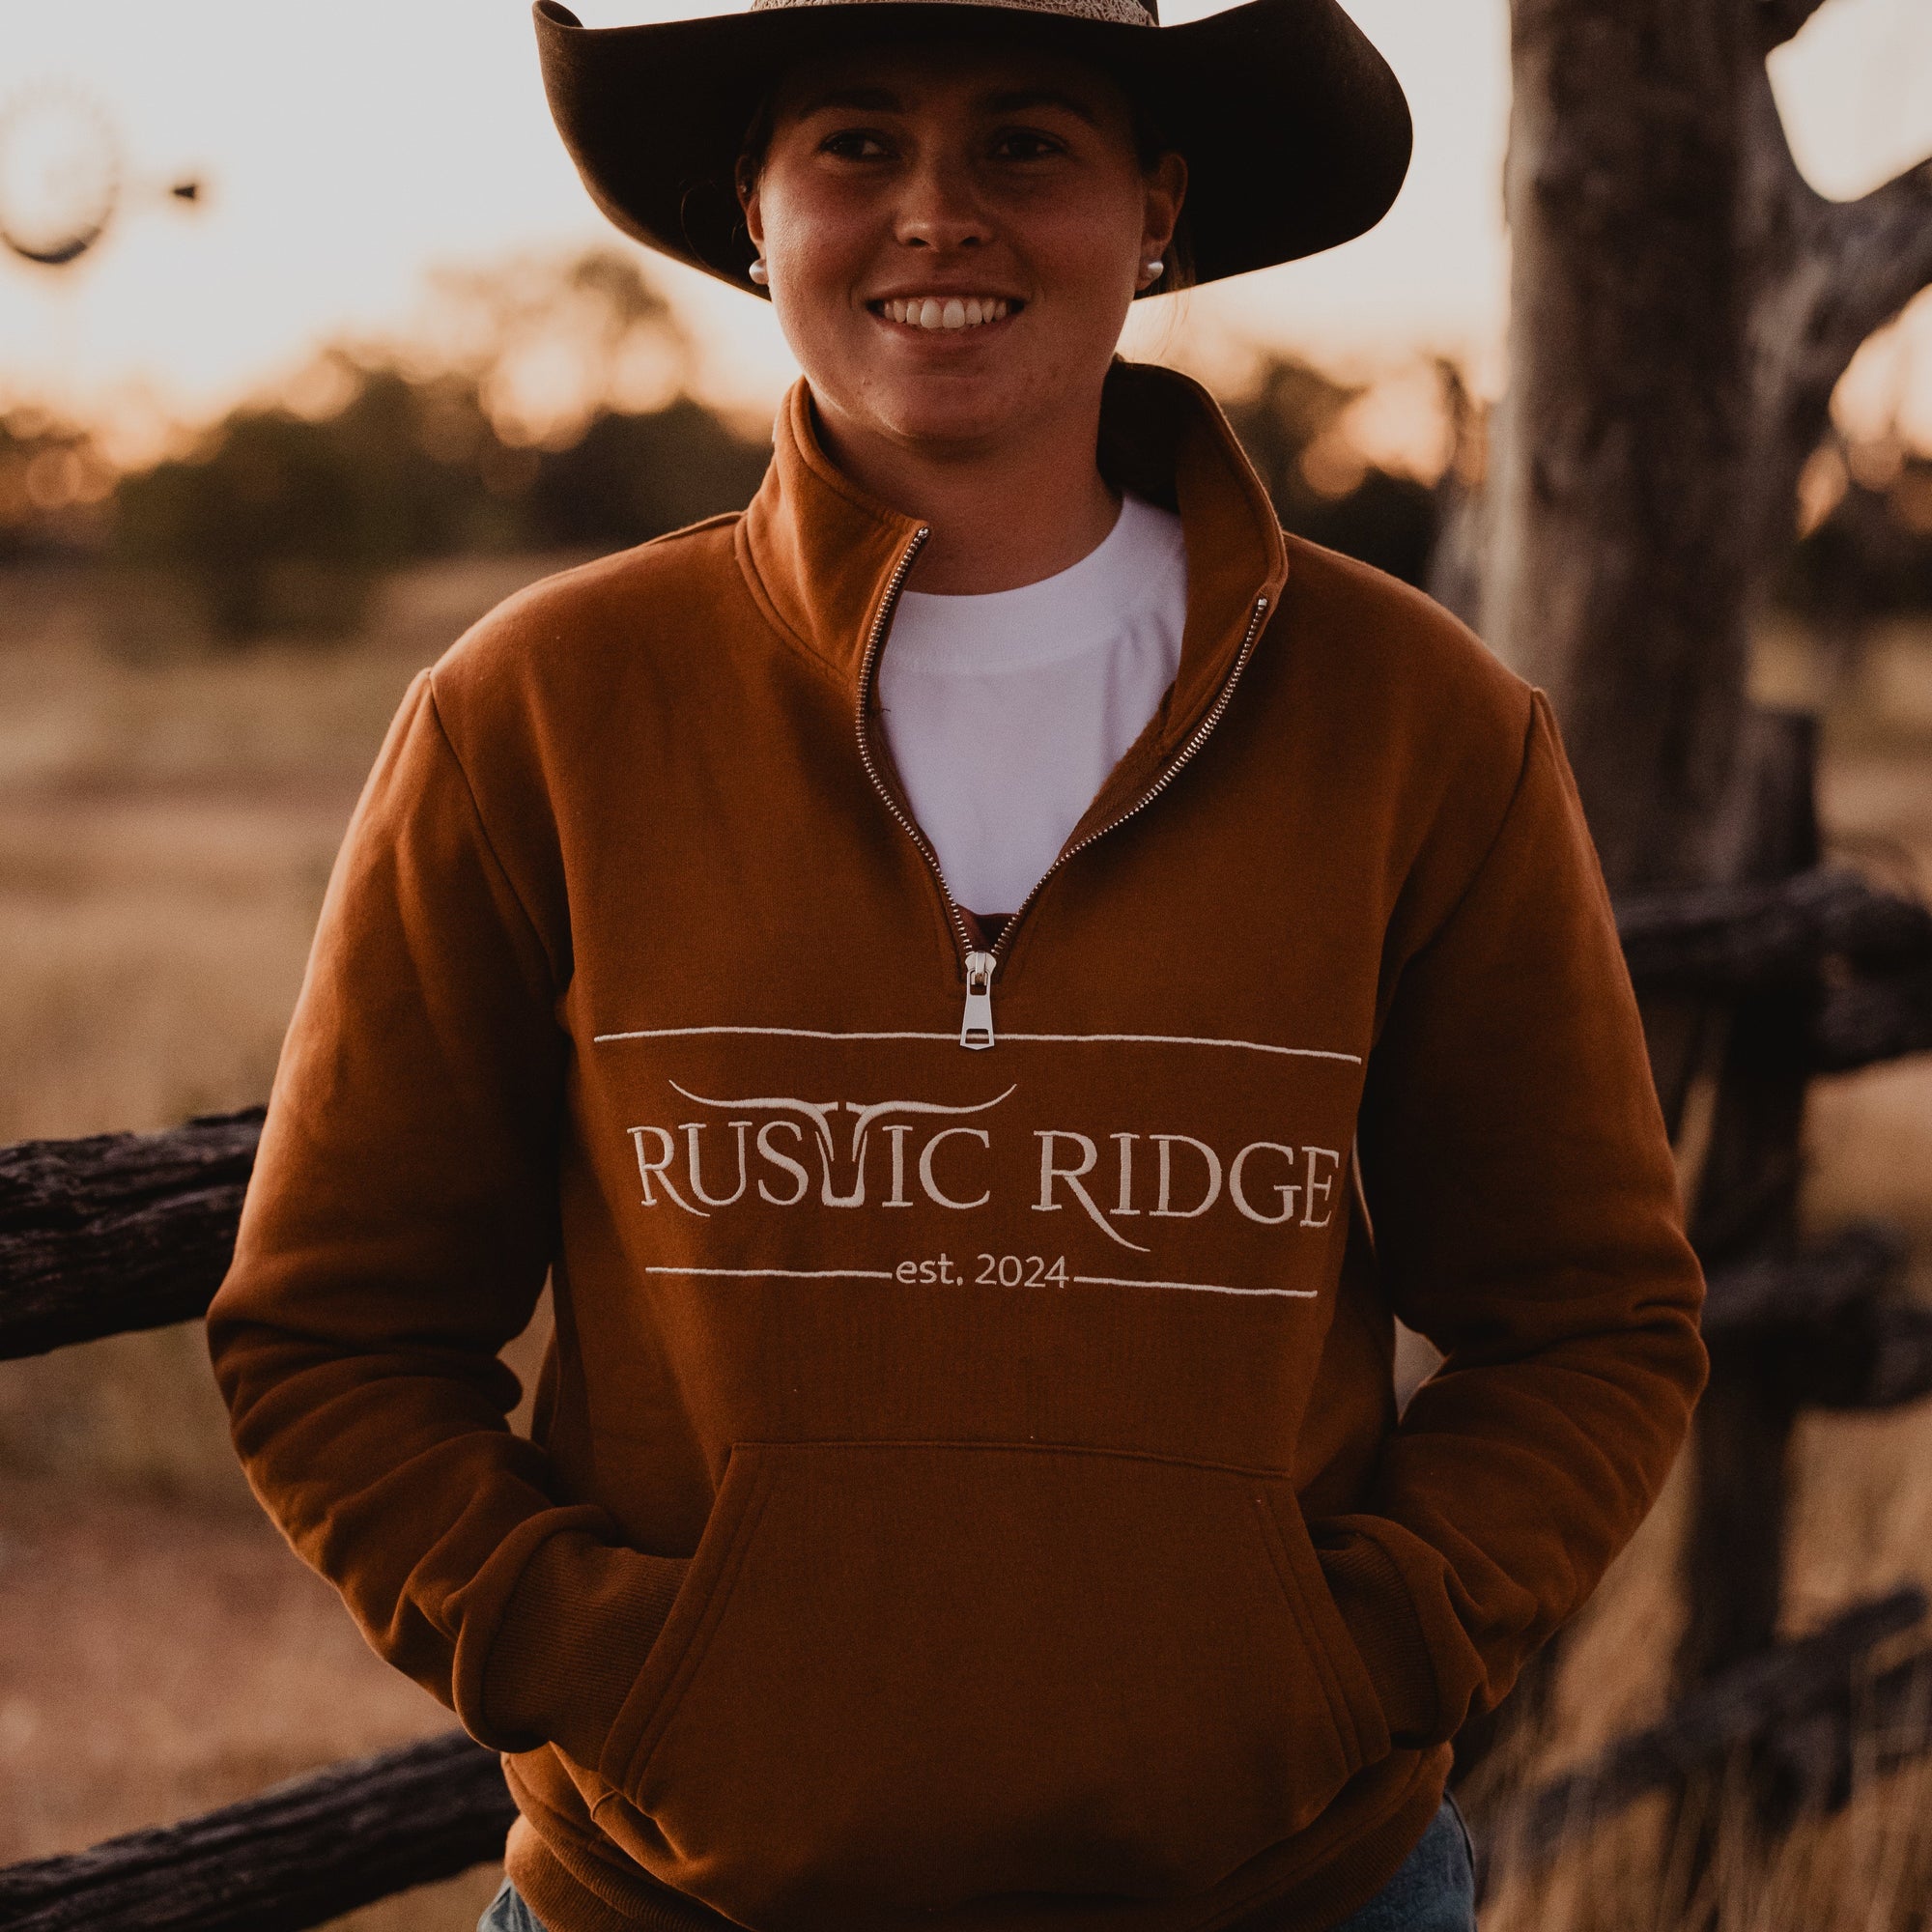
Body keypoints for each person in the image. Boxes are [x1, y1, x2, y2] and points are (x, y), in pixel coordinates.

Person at [204, 0, 1708, 1927]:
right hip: (667, 1906)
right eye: (852, 145)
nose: (936, 214)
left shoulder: (1416, 724)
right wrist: (611, 1672)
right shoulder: (540, 714)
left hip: (1289, 1895)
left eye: (1023, 145)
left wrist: (1354, 1660)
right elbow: (329, 1333)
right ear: (753, 215)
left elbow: (1591, 1317)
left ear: (1152, 211)